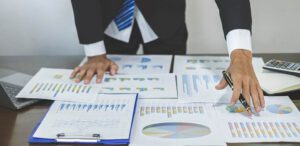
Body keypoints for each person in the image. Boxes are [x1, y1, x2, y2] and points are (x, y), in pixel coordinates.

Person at [70, 0, 264, 112]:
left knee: (169, 102)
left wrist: (240, 52)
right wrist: (94, 51)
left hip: (166, 18)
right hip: (108, 20)